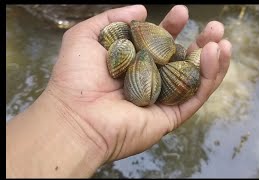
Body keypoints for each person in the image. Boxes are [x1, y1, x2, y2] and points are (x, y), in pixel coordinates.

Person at [6, 5, 232, 178]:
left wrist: (75, 127)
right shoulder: (142, 54)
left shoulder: (149, 53)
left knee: (202, 61)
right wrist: (76, 122)